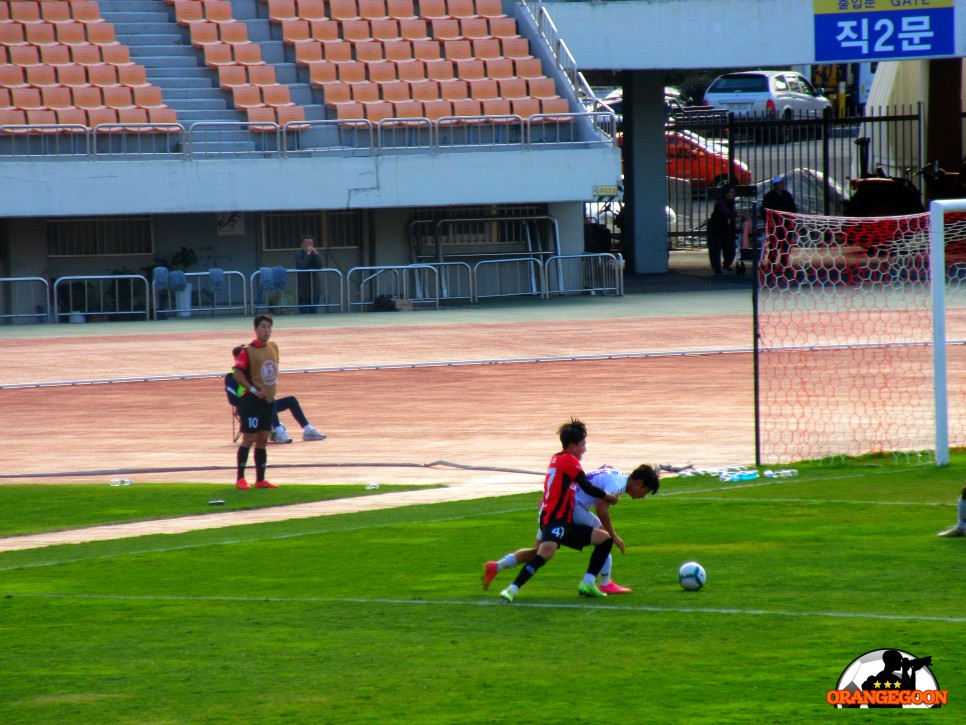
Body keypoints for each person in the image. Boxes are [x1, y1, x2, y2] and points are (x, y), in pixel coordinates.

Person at [487, 418, 620, 604]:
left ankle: (588, 582)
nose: (585, 449)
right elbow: (587, 486)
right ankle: (511, 590)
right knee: (544, 553)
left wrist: (599, 471)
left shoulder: (559, 459)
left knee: (604, 539)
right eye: (583, 445)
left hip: (556, 519)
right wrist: (609, 496)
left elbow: (575, 480)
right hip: (557, 520)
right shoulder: (569, 461)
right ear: (572, 446)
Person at [482, 463, 659, 595]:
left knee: (537, 551)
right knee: (605, 537)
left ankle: (496, 566)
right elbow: (601, 508)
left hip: (552, 506)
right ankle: (603, 583)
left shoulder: (616, 474)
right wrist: (615, 536)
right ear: (639, 483)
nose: (643, 497)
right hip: (570, 507)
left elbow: (594, 476)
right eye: (646, 492)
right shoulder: (618, 483)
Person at [228, 346, 326, 443]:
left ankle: (308, 430)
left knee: (291, 400)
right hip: (247, 408)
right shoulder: (232, 376)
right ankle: (279, 432)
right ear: (237, 358)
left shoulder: (254, 373)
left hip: (263, 404)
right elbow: (232, 400)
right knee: (267, 402)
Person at [232, 314, 280, 490]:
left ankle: (260, 479)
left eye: (269, 327)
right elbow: (237, 374)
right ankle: (240, 478)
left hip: (267, 401)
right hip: (251, 400)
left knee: (263, 438)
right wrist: (253, 390)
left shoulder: (274, 347)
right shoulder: (247, 351)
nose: (266, 330)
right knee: (249, 437)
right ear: (256, 329)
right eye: (263, 327)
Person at [707, 183, 747, 275]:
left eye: (733, 192)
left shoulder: (731, 202)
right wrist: (740, 214)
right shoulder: (721, 202)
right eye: (731, 192)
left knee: (730, 246)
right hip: (715, 229)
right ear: (726, 193)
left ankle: (727, 264)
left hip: (726, 228)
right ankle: (717, 267)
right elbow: (727, 212)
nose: (733, 194)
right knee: (715, 249)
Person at [295, 234, 323, 314]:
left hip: (315, 287)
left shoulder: (315, 254)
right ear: (302, 244)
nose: (308, 245)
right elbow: (302, 266)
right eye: (306, 243)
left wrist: (316, 254)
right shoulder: (298, 254)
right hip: (303, 288)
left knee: (314, 310)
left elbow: (319, 266)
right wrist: (308, 254)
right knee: (303, 311)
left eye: (310, 243)